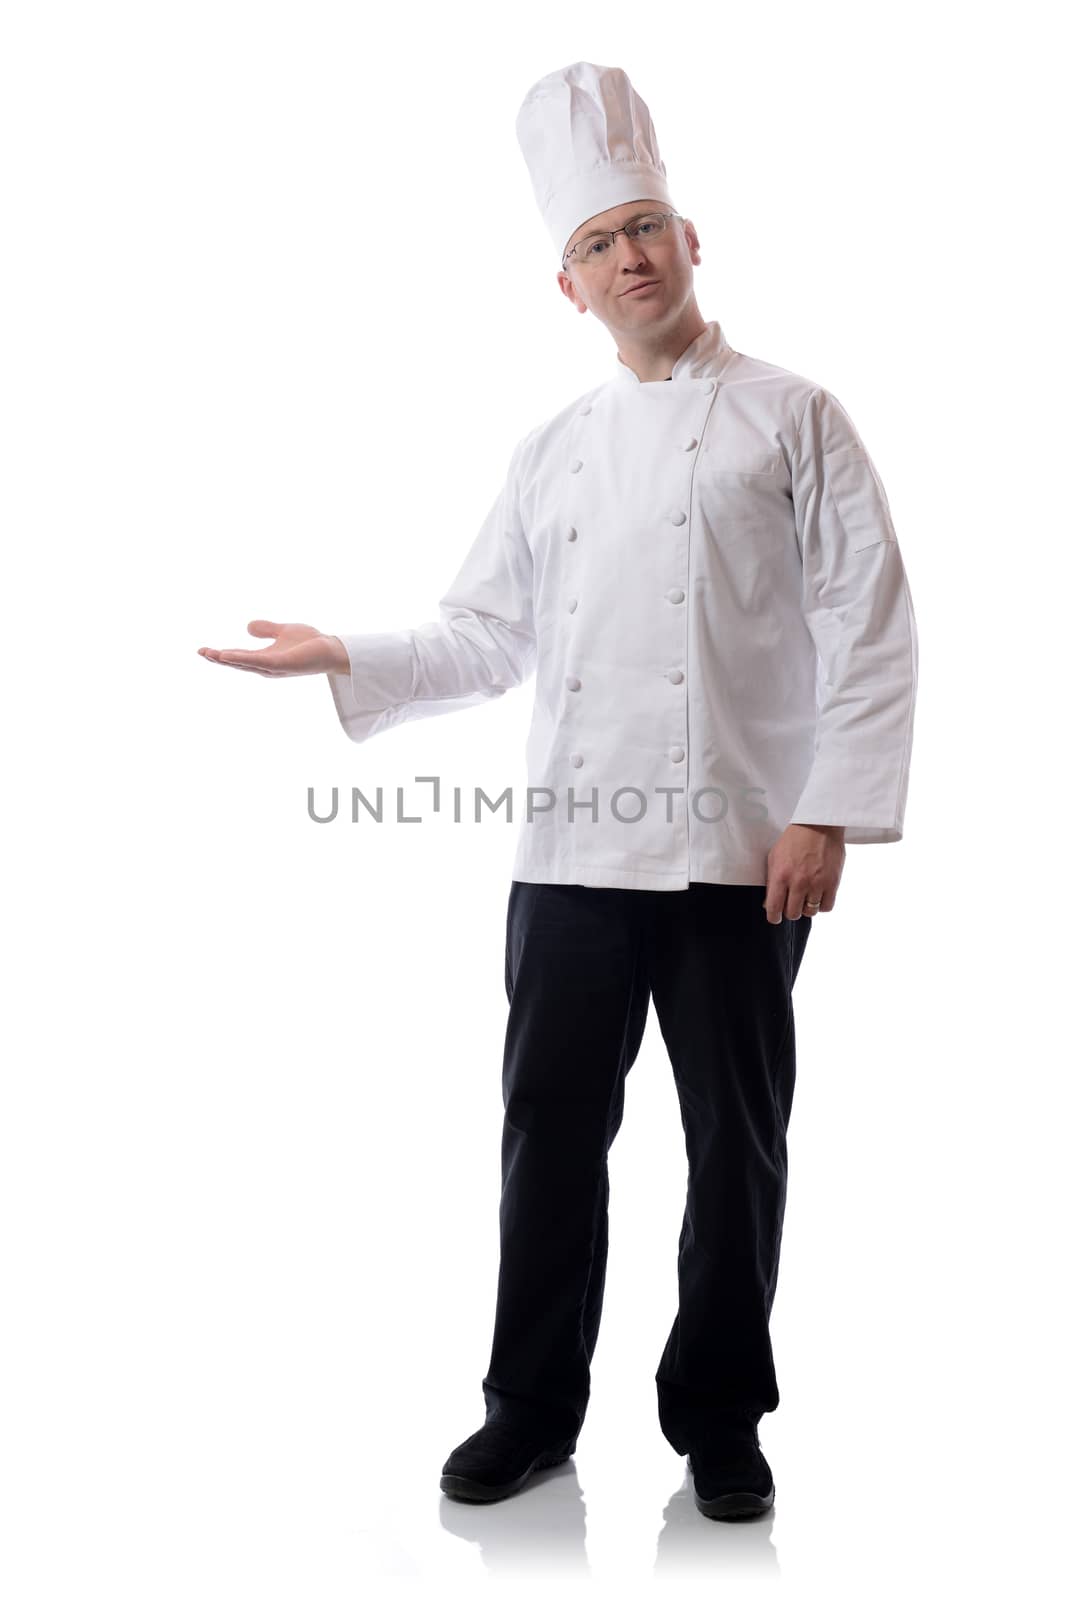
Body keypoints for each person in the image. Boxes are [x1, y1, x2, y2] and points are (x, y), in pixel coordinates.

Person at [198, 61, 918, 1521]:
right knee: (547, 1143)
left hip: (738, 854)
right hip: (570, 858)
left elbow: (872, 620)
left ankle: (720, 1417)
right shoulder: (553, 449)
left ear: (692, 240)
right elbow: (489, 635)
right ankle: (528, 1410)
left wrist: (826, 807)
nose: (630, 255)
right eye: (598, 242)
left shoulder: (800, 416)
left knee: (737, 1151)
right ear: (568, 287)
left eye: (646, 225)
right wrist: (351, 649)